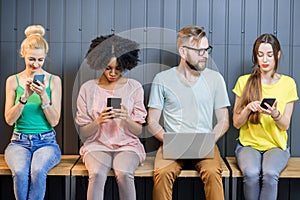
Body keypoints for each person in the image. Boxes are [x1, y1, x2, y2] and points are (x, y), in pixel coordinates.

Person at [147, 25, 230, 200]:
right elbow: (152, 121)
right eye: (200, 51)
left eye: (207, 50)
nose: (206, 55)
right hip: (173, 143)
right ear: (183, 52)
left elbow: (223, 120)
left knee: (213, 174)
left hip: (205, 142)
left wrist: (208, 141)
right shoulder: (162, 79)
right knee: (161, 174)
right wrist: (170, 139)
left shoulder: (215, 79)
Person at [75, 34, 147, 200]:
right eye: (108, 68)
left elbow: (138, 131)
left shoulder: (134, 87)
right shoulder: (87, 89)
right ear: (100, 63)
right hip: (97, 145)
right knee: (97, 174)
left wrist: (126, 118)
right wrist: (99, 121)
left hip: (127, 145)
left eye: (119, 68)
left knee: (124, 172)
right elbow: (85, 132)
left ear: (126, 65)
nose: (113, 73)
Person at [232, 33, 298, 200]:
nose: (264, 59)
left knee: (269, 174)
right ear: (255, 56)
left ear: (278, 54)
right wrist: (247, 109)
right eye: (260, 55)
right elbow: (236, 124)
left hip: (276, 146)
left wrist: (275, 114)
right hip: (248, 145)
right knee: (252, 173)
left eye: (269, 54)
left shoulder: (288, 84)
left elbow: (285, 126)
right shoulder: (244, 81)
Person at [4, 25, 62, 200]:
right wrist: (24, 97)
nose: (36, 65)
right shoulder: (12, 81)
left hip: (46, 142)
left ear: (45, 58)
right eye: (31, 59)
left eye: (40, 60)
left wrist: (44, 96)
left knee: (37, 170)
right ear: (23, 54)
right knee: (21, 172)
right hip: (19, 142)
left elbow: (54, 121)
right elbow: (9, 119)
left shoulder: (53, 81)